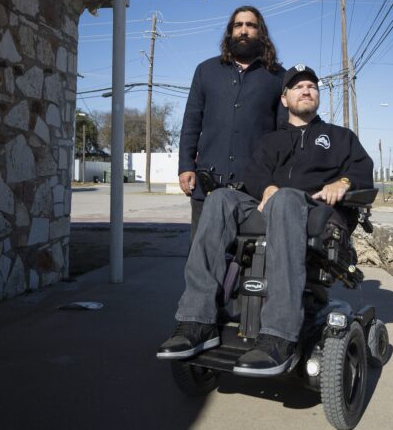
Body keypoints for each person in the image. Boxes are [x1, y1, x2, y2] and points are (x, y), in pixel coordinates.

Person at [158, 64, 374, 376]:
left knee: (285, 198)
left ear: (317, 96)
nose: (306, 90)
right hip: (270, 206)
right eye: (297, 87)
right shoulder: (271, 140)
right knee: (219, 199)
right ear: (284, 99)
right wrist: (266, 187)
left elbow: (361, 170)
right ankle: (196, 320)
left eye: (311, 86)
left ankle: (279, 335)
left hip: (317, 213)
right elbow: (255, 175)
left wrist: (344, 183)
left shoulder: (340, 137)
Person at [177, 6, 286, 237]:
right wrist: (186, 165)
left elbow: (283, 133)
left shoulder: (277, 76)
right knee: (203, 259)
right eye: (238, 25)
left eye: (251, 25)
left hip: (256, 187)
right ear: (230, 32)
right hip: (208, 186)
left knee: (252, 260)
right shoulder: (206, 71)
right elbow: (191, 122)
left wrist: (276, 181)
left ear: (261, 32)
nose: (244, 30)